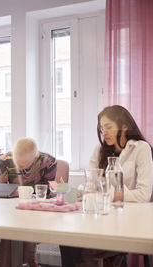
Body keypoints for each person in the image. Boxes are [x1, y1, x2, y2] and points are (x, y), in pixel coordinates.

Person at [60, 105, 153, 267]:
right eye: (102, 128)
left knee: (82, 245)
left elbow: (143, 194)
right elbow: (90, 183)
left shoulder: (140, 148)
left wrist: (107, 193)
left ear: (124, 126)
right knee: (67, 238)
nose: (104, 132)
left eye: (109, 127)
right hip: (101, 216)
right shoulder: (99, 150)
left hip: (130, 219)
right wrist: (84, 191)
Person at [0, 137, 57, 267]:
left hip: (37, 208)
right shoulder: (5, 161)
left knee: (25, 222)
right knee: (12, 226)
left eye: (22, 165)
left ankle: (21, 261)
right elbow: (1, 190)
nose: (18, 167)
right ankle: (29, 261)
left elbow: (48, 193)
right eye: (16, 162)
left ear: (34, 159)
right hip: (11, 208)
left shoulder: (49, 162)